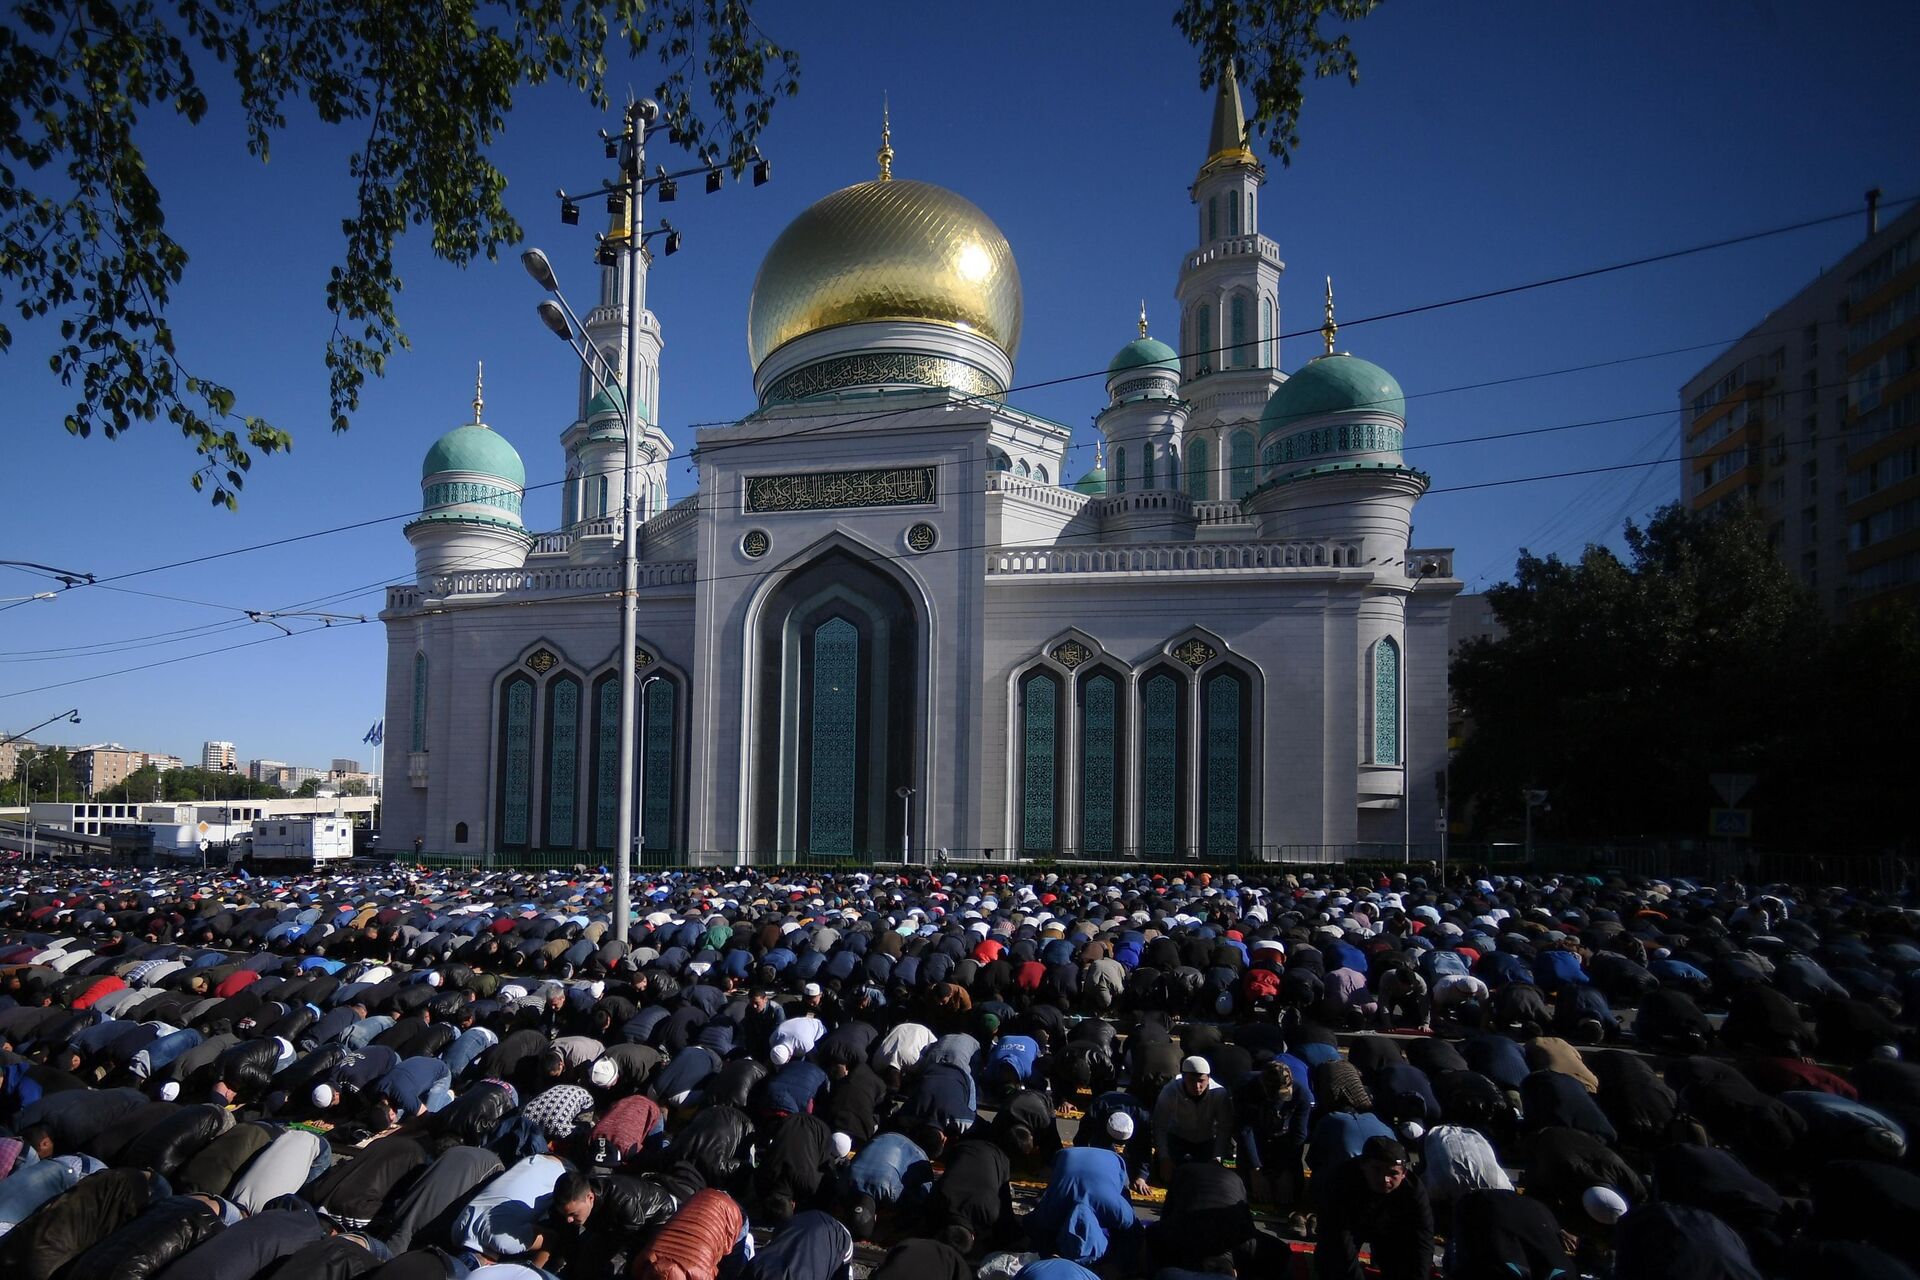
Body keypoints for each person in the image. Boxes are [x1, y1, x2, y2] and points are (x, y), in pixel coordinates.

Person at [1313, 1136, 1434, 1280]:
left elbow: (1423, 1239)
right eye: (1377, 1170)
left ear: (1404, 1174)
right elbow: (1339, 1238)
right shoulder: (1341, 1181)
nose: (1385, 1179)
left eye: (1393, 1173)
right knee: (1332, 1264)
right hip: (1350, 1227)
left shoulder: (1414, 1191)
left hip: (1389, 1231)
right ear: (1363, 1165)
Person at [1024, 1143, 1138, 1266]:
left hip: (1104, 1159)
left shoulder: (1117, 1210)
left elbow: (1032, 1224)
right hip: (1069, 1156)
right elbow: (1033, 1223)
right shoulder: (1053, 1206)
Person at [1151, 1055, 1235, 1183]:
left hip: (1206, 1140)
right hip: (1177, 1137)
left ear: (1208, 1078)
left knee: (1212, 1178)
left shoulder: (1219, 1093)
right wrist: (1164, 1158)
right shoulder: (1170, 1091)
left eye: (1201, 1081)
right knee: (1163, 1174)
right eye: (1191, 1081)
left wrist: (1217, 1157)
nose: (1197, 1086)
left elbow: (1224, 1128)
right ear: (1184, 1078)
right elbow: (1159, 1126)